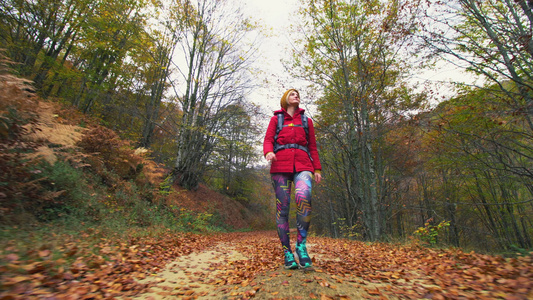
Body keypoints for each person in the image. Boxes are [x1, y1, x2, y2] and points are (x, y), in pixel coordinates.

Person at [263, 89, 322, 269]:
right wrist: (269, 152)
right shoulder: (276, 119)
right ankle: (287, 252)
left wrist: (317, 168)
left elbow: (312, 147)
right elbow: (267, 140)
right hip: (280, 166)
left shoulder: (306, 121)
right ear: (285, 99)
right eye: (293, 94)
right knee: (284, 207)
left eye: (298, 94)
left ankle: (301, 247)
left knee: (303, 198)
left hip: (304, 165)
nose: (297, 96)